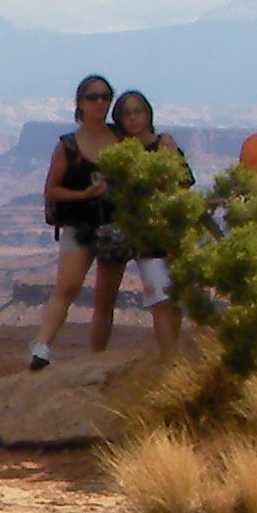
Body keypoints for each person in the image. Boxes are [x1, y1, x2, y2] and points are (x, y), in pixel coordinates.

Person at [26, 75, 118, 369]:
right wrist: (84, 194)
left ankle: (95, 359)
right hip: (79, 227)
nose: (100, 102)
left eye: (105, 96)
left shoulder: (122, 139)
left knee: (105, 298)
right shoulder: (68, 146)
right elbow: (51, 189)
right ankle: (41, 348)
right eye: (93, 97)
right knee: (66, 287)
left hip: (115, 228)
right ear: (80, 102)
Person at [98, 88, 187, 355]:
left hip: (168, 231)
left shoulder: (165, 144)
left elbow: (182, 186)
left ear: (148, 113)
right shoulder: (120, 153)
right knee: (159, 298)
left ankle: (169, 356)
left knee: (175, 300)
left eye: (138, 111)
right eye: (127, 113)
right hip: (142, 237)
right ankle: (171, 362)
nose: (134, 118)